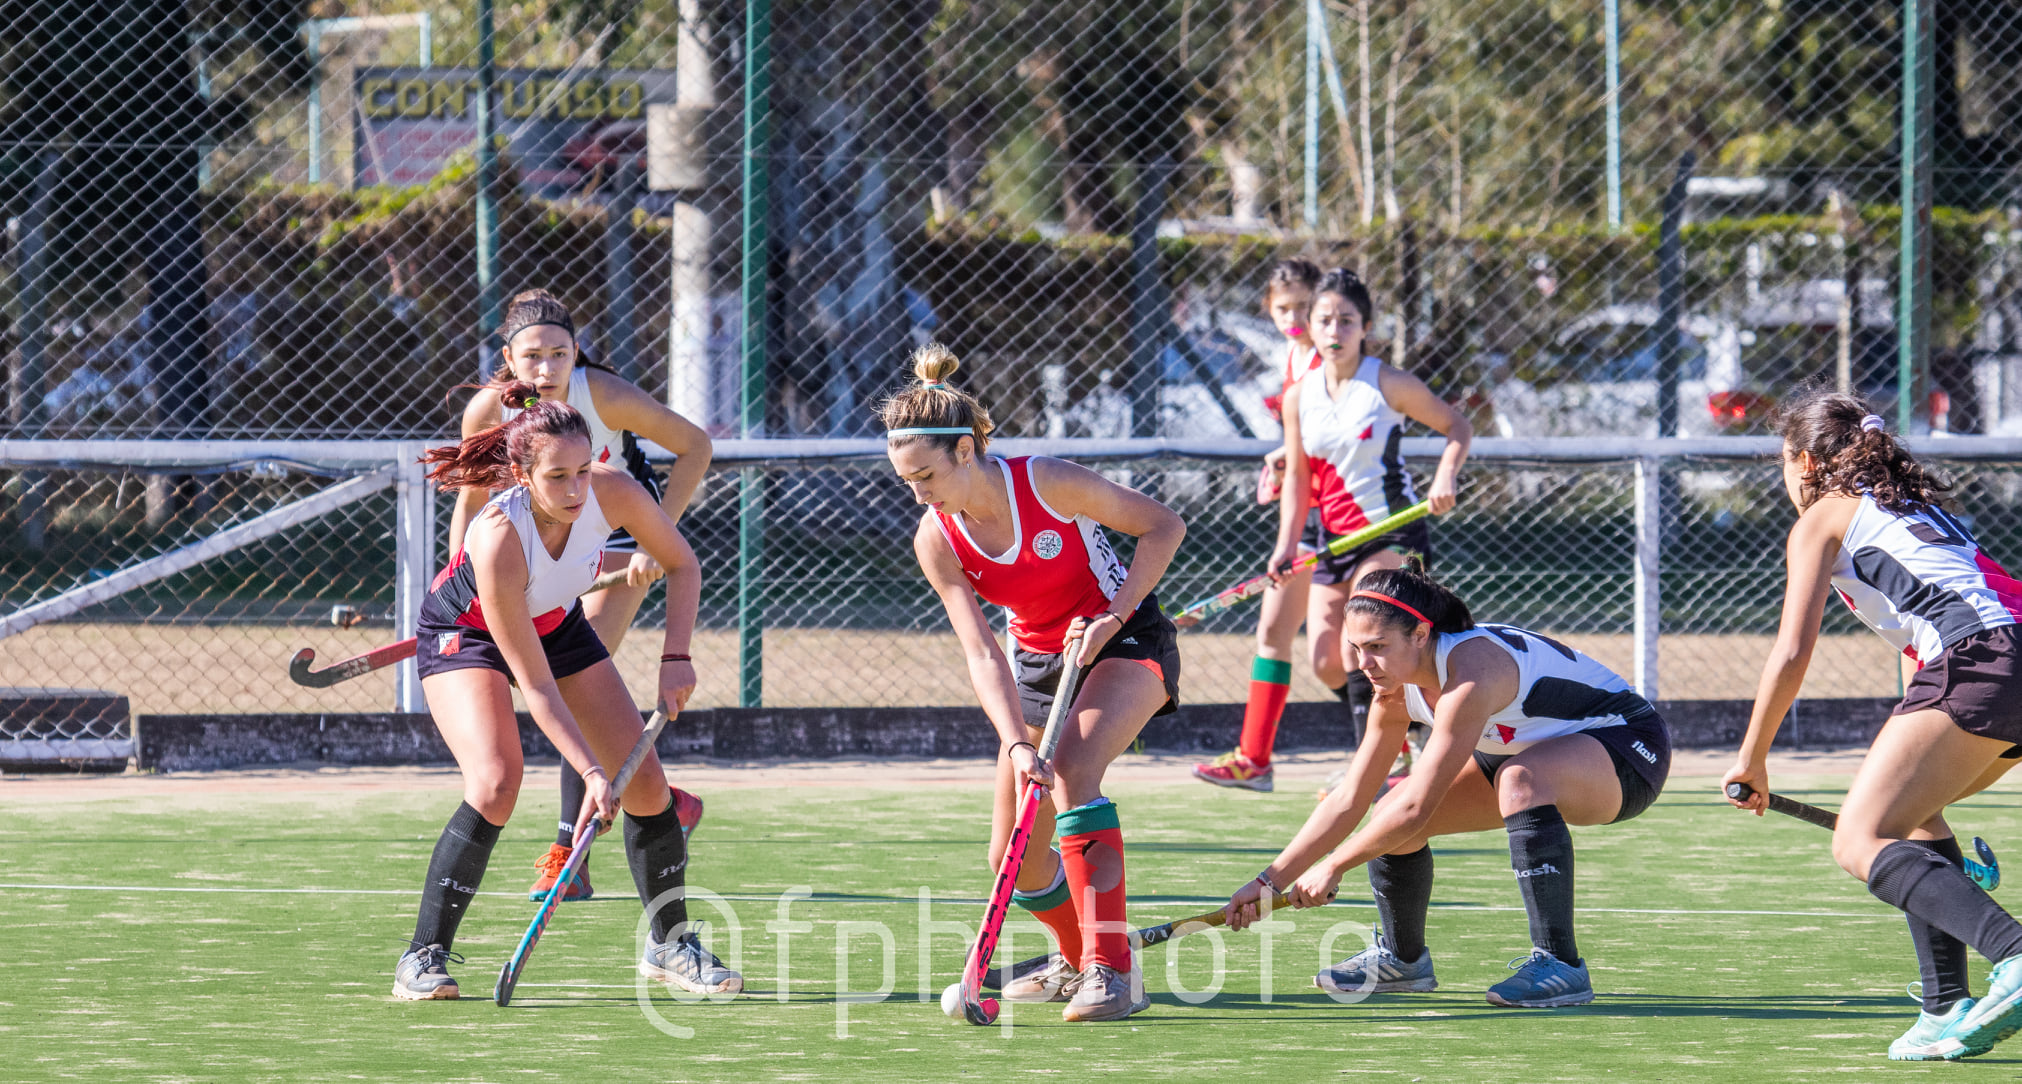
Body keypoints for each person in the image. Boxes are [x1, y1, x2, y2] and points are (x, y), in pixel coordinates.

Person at [392, 383, 739, 1001]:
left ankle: (670, 945)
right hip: (466, 634)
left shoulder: (614, 493)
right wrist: (589, 770)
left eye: (584, 469)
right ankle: (422, 957)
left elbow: (684, 564)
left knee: (649, 786)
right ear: (522, 475)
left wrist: (676, 658)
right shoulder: (499, 536)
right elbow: (537, 688)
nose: (577, 489)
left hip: (556, 623)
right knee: (497, 781)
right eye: (558, 476)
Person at [881, 343, 1186, 1022]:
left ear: (965, 451)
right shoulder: (936, 539)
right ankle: (1079, 957)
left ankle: (1114, 973)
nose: (920, 494)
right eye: (907, 482)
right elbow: (981, 651)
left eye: (926, 475)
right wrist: (1014, 745)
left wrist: (1113, 615)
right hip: (1039, 666)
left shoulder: (1048, 482)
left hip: (1124, 640)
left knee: (1076, 768)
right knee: (1013, 855)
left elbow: (1163, 526)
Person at [1723, 388, 2022, 1060]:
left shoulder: (1823, 517)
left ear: (1805, 464)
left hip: (1976, 659)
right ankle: (1945, 1002)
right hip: (2009, 655)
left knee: (1859, 838)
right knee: (1913, 817)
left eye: (1781, 465)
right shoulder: (1915, 506)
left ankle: (2014, 952)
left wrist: (1752, 758)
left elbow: (1793, 652)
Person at [1222, 566, 1672, 1009]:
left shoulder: (1473, 671)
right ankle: (1403, 960)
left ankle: (1561, 964)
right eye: (1356, 648)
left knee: (1517, 783)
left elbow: (1421, 805)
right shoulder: (1394, 690)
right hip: (1527, 752)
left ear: (1420, 633)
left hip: (1629, 751)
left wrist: (1334, 865)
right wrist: (1268, 881)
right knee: (1389, 811)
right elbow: (1350, 798)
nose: (1364, 665)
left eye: (1378, 647)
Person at [452, 289, 713, 901]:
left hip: (615, 530)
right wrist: (462, 588)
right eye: (533, 357)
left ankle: (571, 851)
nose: (546, 370)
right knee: (541, 683)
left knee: (575, 674)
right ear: (509, 359)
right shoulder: (488, 410)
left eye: (560, 355)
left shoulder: (605, 395)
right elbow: (470, 502)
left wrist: (657, 537)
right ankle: (666, 802)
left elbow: (695, 445)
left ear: (576, 354)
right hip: (530, 539)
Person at [1200, 268, 1470, 796]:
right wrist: (1284, 547)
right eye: (1325, 320)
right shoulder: (1300, 395)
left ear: (1365, 327)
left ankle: (1380, 768)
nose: (1334, 330)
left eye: (1347, 320)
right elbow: (1298, 477)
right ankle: (1410, 732)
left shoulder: (1388, 383)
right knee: (1326, 659)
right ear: (1311, 326)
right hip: (1333, 539)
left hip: (1390, 534)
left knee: (1358, 643)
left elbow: (1457, 426)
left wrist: (1445, 474)